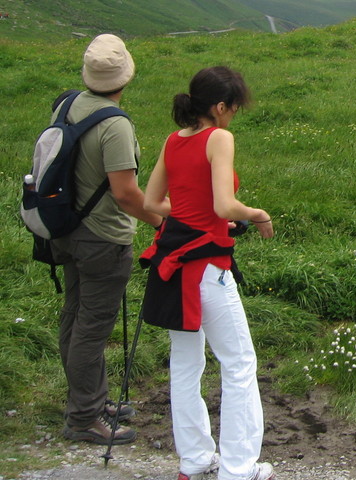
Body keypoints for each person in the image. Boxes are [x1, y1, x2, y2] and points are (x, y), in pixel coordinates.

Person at [142, 66, 276, 480]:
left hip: (172, 265)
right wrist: (257, 213)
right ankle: (238, 467)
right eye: (234, 108)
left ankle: (195, 459)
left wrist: (191, 211)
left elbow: (151, 202)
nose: (234, 115)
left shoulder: (173, 141)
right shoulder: (218, 138)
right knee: (239, 363)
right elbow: (224, 205)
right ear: (220, 107)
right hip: (206, 268)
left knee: (186, 364)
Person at [51, 33, 164, 445]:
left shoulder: (68, 105)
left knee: (75, 316)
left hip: (65, 229)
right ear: (125, 76)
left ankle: (91, 399)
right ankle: (84, 417)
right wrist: (161, 221)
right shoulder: (115, 125)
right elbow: (126, 195)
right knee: (92, 327)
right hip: (102, 239)